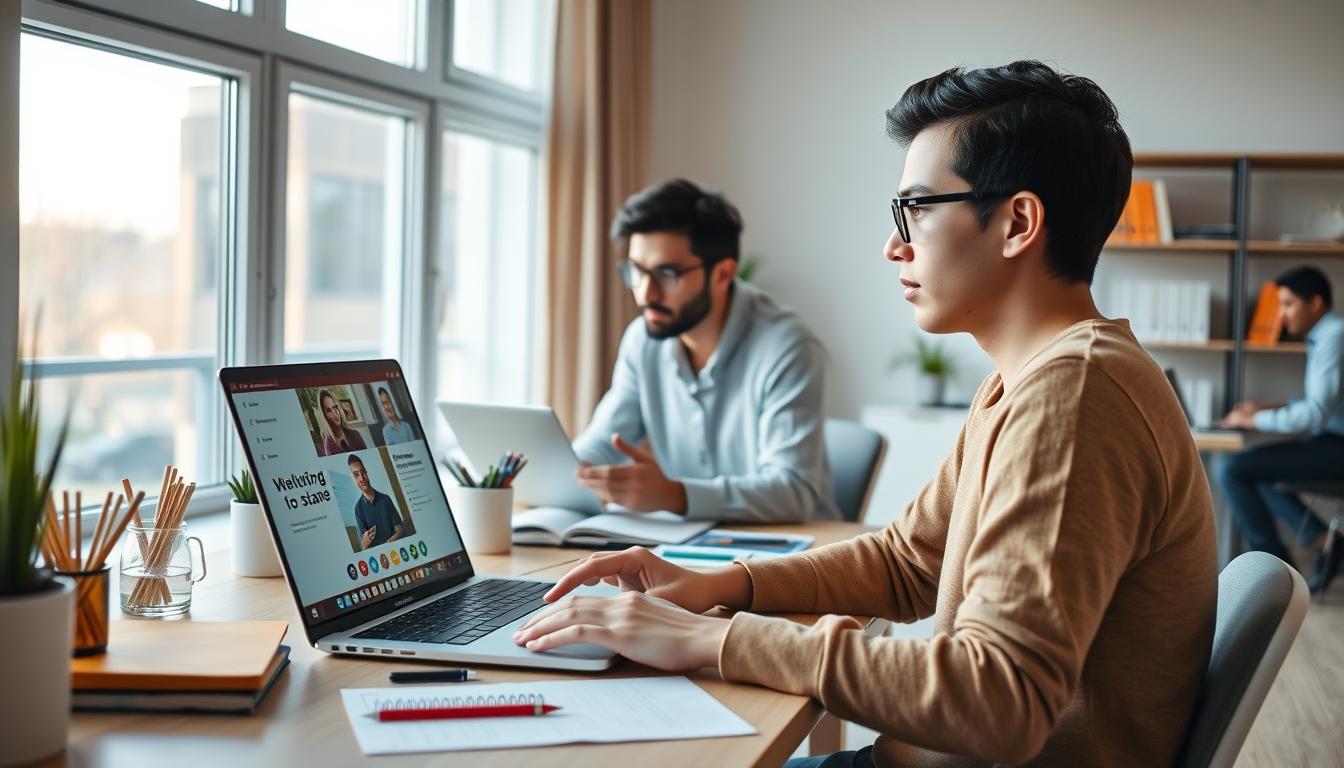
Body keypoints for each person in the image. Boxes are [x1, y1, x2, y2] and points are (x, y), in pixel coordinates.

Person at [514, 61, 1217, 766]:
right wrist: (718, 586)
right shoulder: (1027, 380)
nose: (894, 245)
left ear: (1017, 223)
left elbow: (999, 700)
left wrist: (711, 638)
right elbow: (909, 562)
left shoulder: (1076, 395)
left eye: (916, 209)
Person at [571, 178, 838, 522]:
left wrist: (676, 495)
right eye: (638, 271)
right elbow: (604, 443)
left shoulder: (787, 348)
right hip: (687, 545)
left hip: (795, 554)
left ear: (723, 273)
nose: (645, 294)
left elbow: (791, 491)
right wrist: (566, 472)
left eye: (667, 273)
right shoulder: (642, 341)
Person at [1218, 265, 1344, 593]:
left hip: (1337, 446)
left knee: (1232, 468)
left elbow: (1316, 412)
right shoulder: (1327, 334)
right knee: (1256, 470)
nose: (1283, 315)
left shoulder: (1335, 336)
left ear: (1315, 303)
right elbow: (1323, 401)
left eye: (1288, 304)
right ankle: (1321, 542)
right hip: (1331, 440)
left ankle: (1275, 571)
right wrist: (1265, 407)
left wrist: (1252, 421)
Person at [348, 453, 407, 549]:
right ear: (353, 479)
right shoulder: (358, 509)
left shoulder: (386, 499)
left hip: (396, 549)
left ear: (367, 473)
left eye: (363, 472)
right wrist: (365, 542)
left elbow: (400, 530)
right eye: (356, 475)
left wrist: (387, 545)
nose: (362, 478)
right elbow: (364, 546)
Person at [319, 389, 367, 456]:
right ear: (325, 416)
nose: (334, 412)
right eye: (329, 410)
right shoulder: (329, 445)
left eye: (334, 407)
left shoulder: (355, 434)